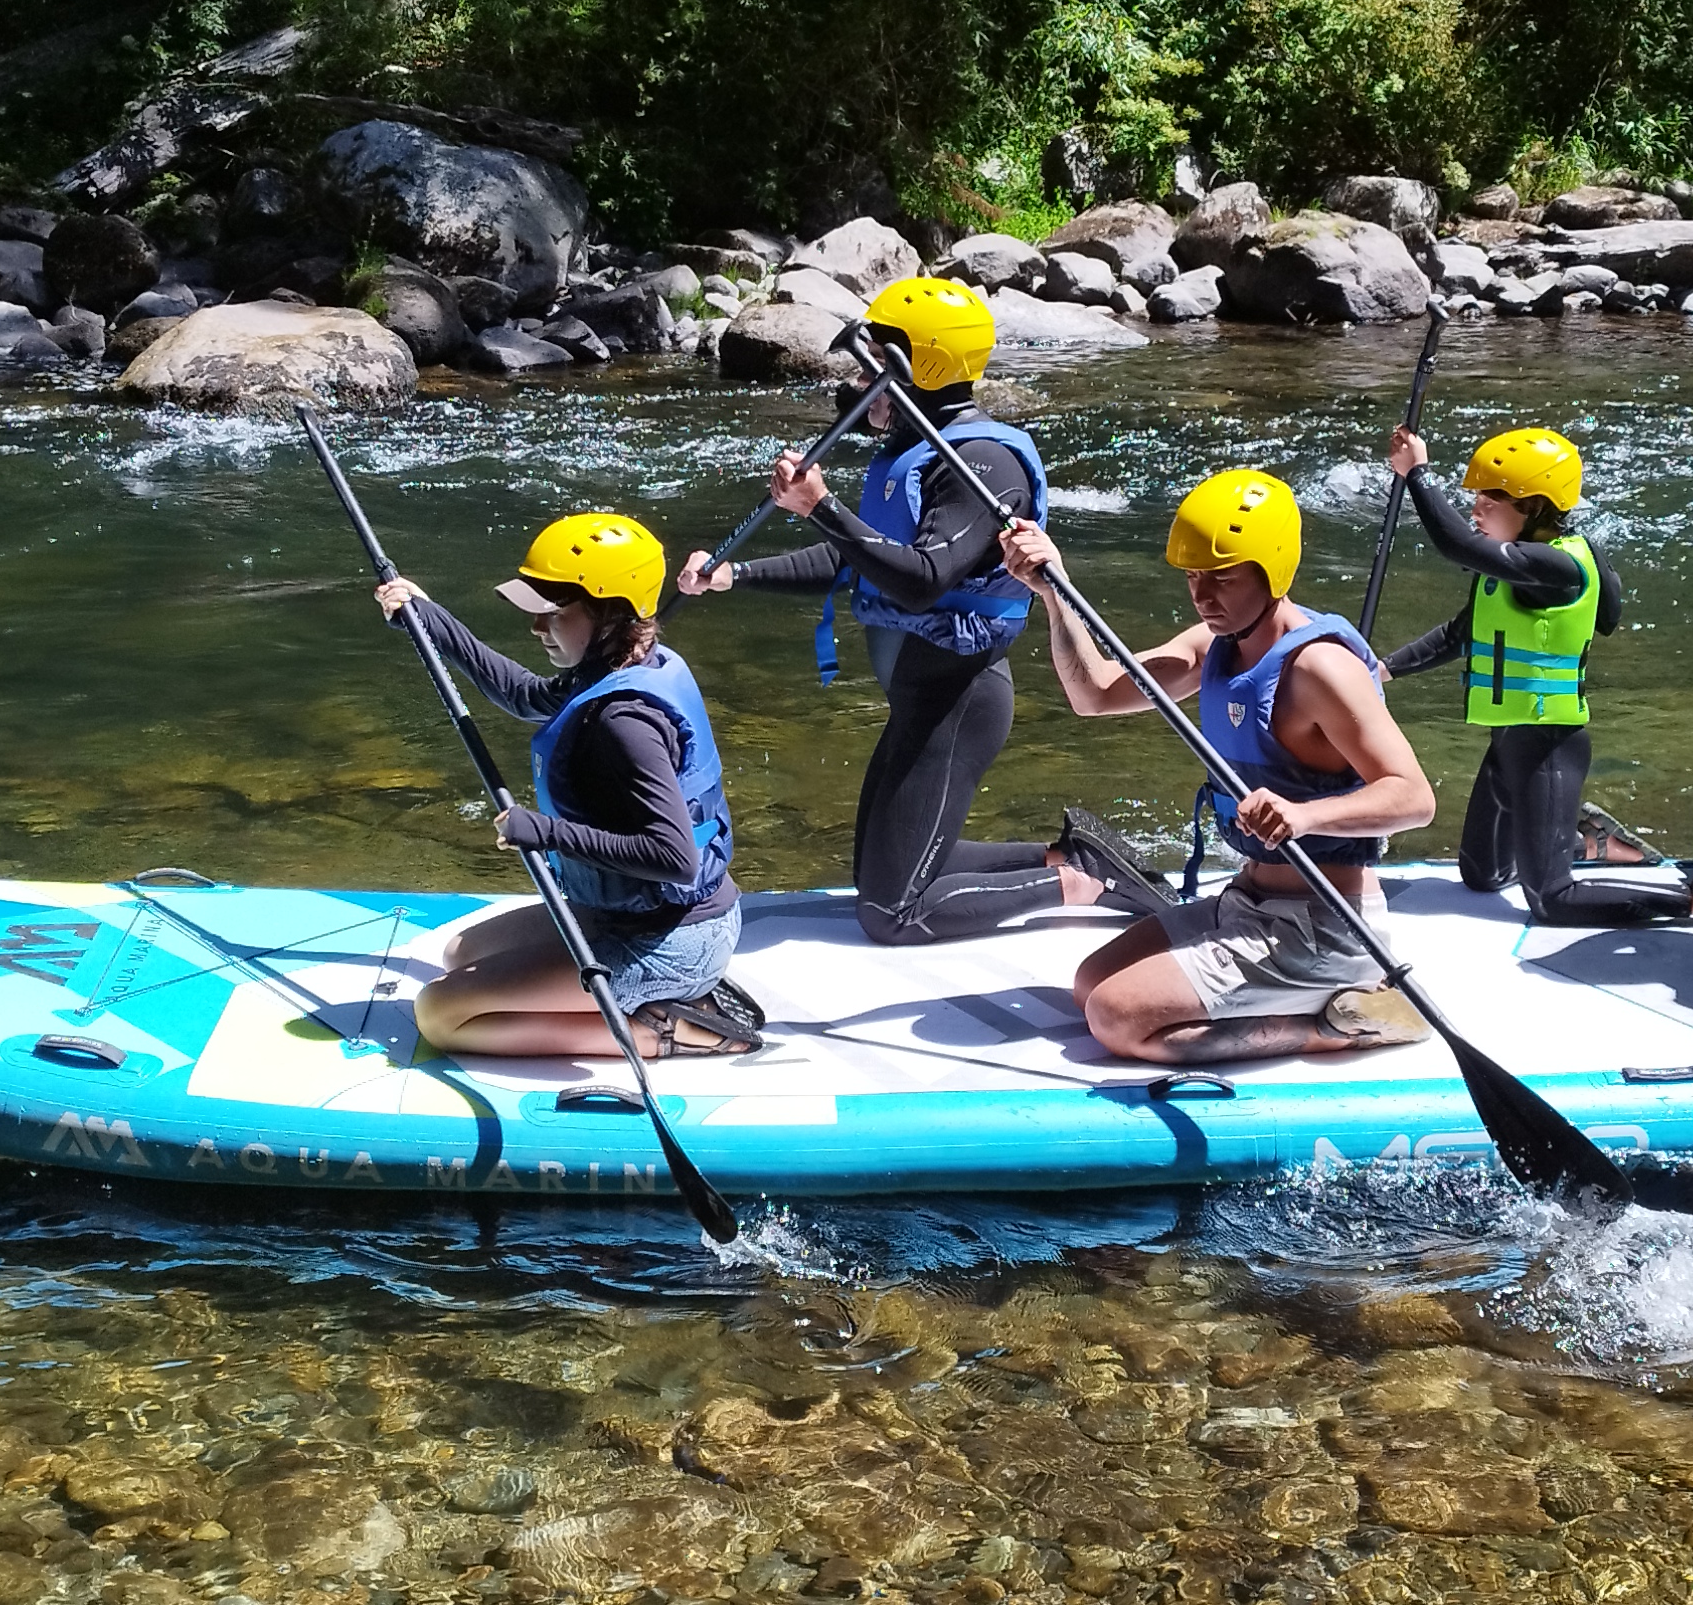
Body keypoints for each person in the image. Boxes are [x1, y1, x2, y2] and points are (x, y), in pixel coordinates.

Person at [675, 276, 1165, 941]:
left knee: (890, 912)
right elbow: (864, 564)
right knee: (877, 873)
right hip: (919, 697)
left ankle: (1079, 883)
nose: (858, 379)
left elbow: (923, 580)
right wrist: (737, 575)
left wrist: (821, 506)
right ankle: (1065, 854)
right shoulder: (911, 452)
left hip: (957, 700)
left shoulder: (983, 464)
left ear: (920, 367)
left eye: (874, 362)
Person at [999, 469, 1441, 1064]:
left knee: (1117, 1019)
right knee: (1089, 983)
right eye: (1193, 578)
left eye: (1223, 579)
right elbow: (1095, 694)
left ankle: (1347, 1023)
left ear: (1273, 570)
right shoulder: (1217, 646)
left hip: (1324, 927)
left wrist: (1304, 815)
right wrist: (1053, 592)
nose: (1203, 596)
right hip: (1246, 903)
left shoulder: (1320, 670)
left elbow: (1414, 797)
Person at [372, 509, 762, 1059]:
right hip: (630, 912)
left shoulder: (624, 722)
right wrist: (428, 618)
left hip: (671, 939)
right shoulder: (622, 663)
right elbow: (525, 696)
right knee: (458, 952)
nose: (536, 627)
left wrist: (547, 832)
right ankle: (669, 999)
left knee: (439, 1015)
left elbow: (675, 859)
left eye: (552, 613)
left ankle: (671, 1030)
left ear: (609, 613)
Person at [1376, 423, 1693, 925]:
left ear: (1535, 508)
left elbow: (1455, 546)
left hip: (1549, 746)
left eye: (1490, 502)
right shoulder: (1516, 569)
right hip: (1507, 741)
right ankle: (1590, 841)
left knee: (1552, 900)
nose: (1475, 510)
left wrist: (1418, 475)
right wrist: (1382, 669)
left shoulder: (1554, 568)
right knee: (1481, 875)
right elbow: (1460, 634)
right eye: (1474, 499)